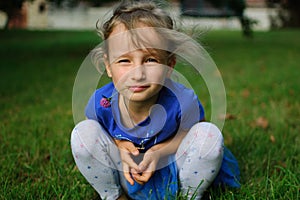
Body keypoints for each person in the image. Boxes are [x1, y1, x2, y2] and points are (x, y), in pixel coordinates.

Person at [70, 1, 240, 199]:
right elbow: (98, 138)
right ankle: (115, 196)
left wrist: (159, 151)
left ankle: (189, 195)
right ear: (108, 66)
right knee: (83, 133)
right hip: (128, 174)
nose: (138, 73)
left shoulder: (182, 100)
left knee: (208, 134)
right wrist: (118, 145)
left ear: (169, 65)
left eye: (150, 60)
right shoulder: (102, 102)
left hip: (176, 172)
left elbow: (193, 134)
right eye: (124, 60)